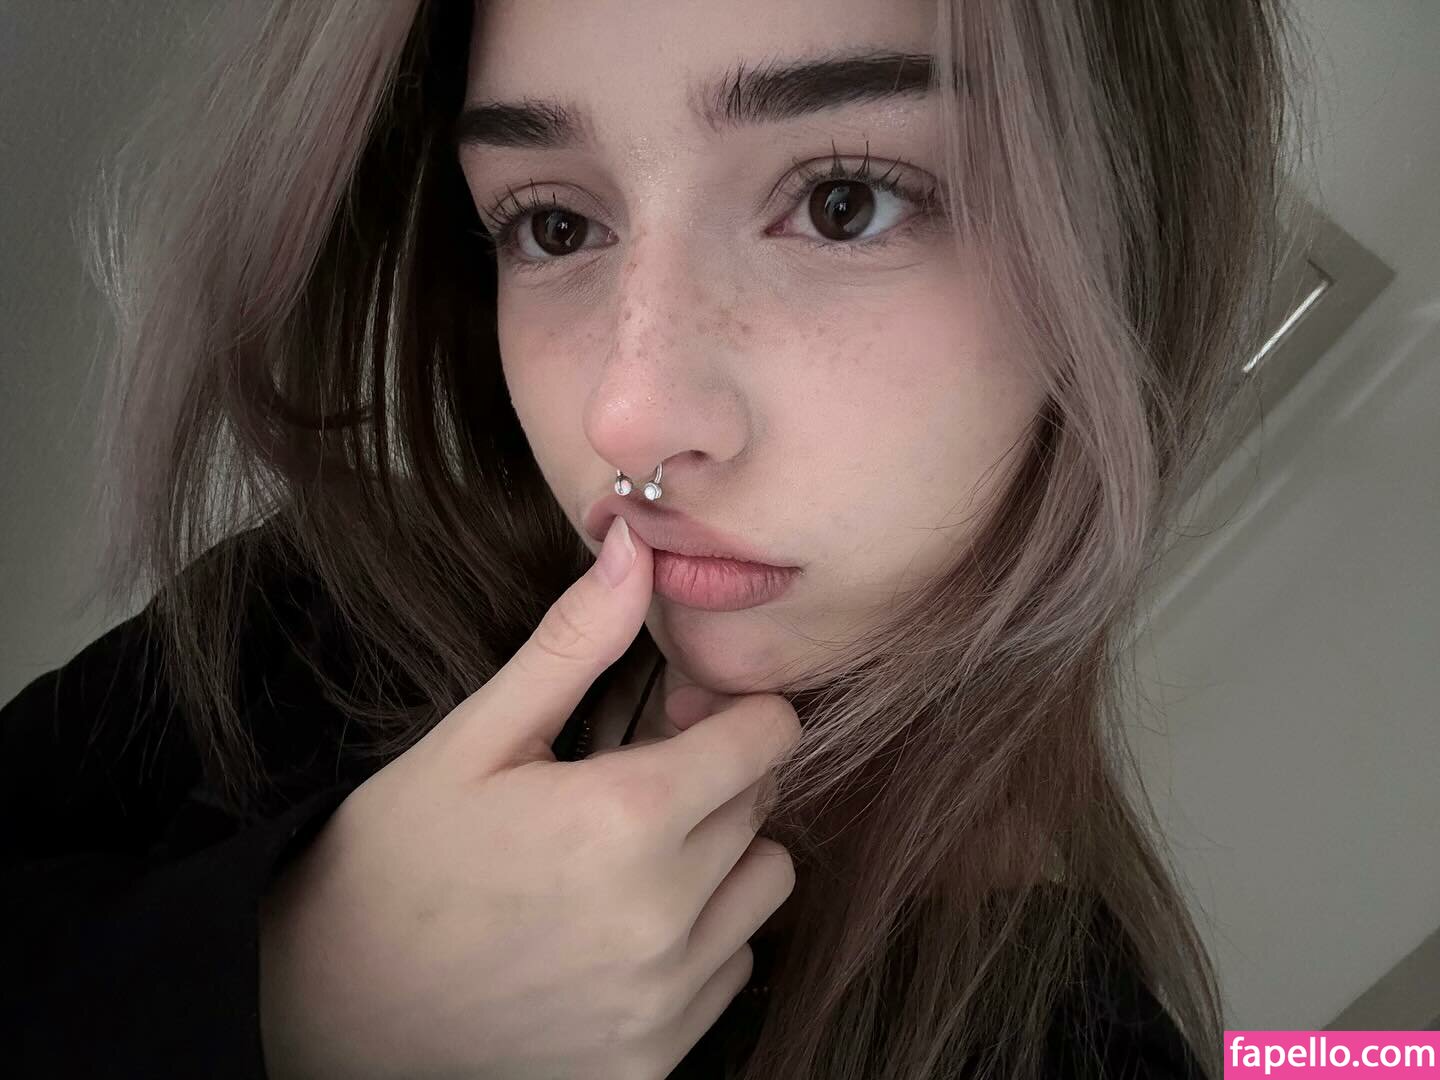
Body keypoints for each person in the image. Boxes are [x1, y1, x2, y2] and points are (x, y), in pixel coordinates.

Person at [2, 0, 1303, 1076]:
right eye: (553, 224)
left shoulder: (1075, 1052)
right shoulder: (320, 599)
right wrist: (298, 992)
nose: (625, 415)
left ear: (1129, 245)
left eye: (844, 201)